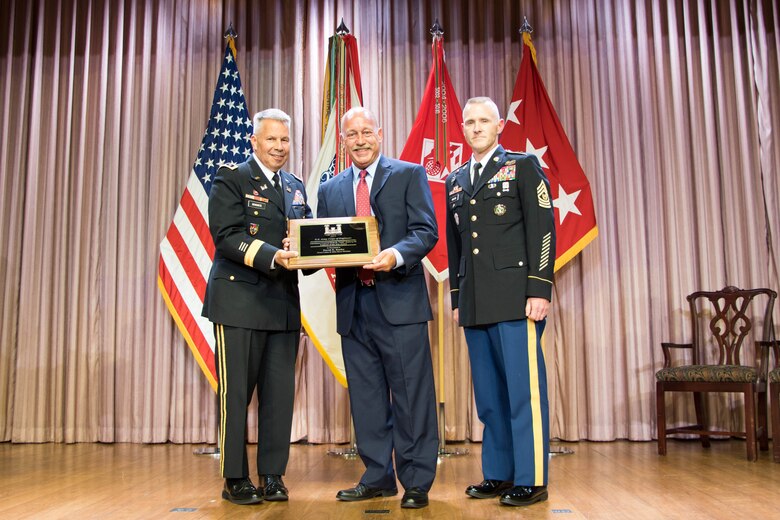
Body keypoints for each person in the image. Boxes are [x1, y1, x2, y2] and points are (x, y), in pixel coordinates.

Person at [317, 107, 439, 509]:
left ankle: (417, 481)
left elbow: (426, 231)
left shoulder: (408, 174)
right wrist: (298, 250)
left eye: (366, 132)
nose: (360, 140)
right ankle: (377, 477)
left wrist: (395, 255)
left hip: (400, 302)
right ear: (344, 141)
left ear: (380, 134)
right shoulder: (331, 189)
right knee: (367, 399)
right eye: (351, 134)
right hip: (354, 306)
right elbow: (320, 241)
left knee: (411, 396)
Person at [445, 97, 556, 507]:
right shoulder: (456, 180)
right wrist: (458, 298)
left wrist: (539, 289)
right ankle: (498, 473)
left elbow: (543, 229)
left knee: (523, 393)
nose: (476, 128)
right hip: (475, 301)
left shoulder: (523, 166)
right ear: (462, 128)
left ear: (498, 127)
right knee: (490, 396)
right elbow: (456, 247)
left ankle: (531, 478)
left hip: (516, 300)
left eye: (483, 121)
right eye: (469, 122)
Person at [201, 108, 310, 505]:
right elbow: (226, 236)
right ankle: (235, 478)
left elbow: (307, 237)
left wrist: (307, 251)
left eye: (284, 140)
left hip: (282, 304)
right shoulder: (232, 177)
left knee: (279, 397)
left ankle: (273, 475)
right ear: (254, 142)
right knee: (235, 397)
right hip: (239, 303)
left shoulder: (295, 187)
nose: (279, 147)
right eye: (271, 140)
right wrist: (273, 255)